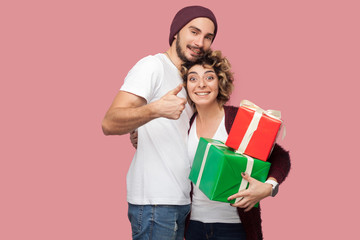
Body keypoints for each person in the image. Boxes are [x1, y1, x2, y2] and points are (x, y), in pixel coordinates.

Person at [101, 6, 218, 240]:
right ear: (176, 32)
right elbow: (109, 122)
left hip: (182, 200)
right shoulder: (152, 66)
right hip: (156, 202)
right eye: (194, 32)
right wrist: (154, 110)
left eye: (208, 37)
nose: (200, 42)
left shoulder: (191, 78)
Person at [180, 50, 291, 240]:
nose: (201, 84)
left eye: (209, 77)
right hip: (194, 227)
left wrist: (268, 188)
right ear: (187, 86)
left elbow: (280, 156)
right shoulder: (185, 124)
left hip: (234, 227)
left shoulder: (237, 119)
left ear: (220, 83)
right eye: (193, 78)